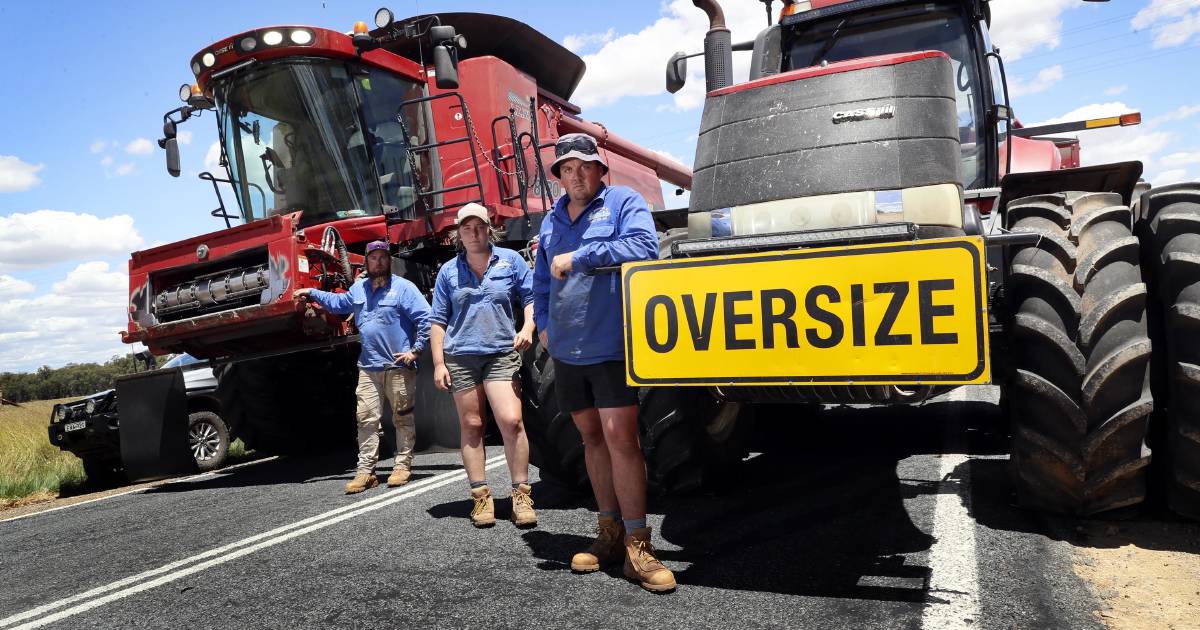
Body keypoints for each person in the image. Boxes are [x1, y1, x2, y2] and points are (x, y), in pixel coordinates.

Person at [532, 133, 675, 592]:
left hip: (612, 346)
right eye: (567, 169)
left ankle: (638, 543)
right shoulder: (551, 221)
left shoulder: (623, 203)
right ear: (559, 176)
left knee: (621, 439)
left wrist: (582, 256)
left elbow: (643, 248)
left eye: (584, 167)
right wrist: (544, 326)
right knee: (591, 438)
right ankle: (609, 532)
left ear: (599, 170)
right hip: (567, 352)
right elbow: (540, 281)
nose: (576, 176)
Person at [430, 203, 538, 528]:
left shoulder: (511, 261)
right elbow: (437, 320)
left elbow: (532, 298)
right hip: (461, 356)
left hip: (500, 353)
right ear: (458, 233)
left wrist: (527, 328)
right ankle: (480, 497)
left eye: (479, 227)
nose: (473, 233)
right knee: (473, 425)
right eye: (466, 228)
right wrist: (438, 363)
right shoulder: (448, 272)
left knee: (511, 420)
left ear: (489, 228)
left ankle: (521, 494)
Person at [293, 240, 431, 494]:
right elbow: (338, 303)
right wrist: (311, 293)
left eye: (383, 257)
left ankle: (402, 466)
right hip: (368, 368)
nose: (378, 262)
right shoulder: (359, 289)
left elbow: (426, 318)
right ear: (366, 262)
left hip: (398, 366)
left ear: (389, 261)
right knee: (366, 419)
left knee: (402, 418)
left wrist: (415, 350)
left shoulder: (404, 289)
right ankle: (366, 472)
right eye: (373, 257)